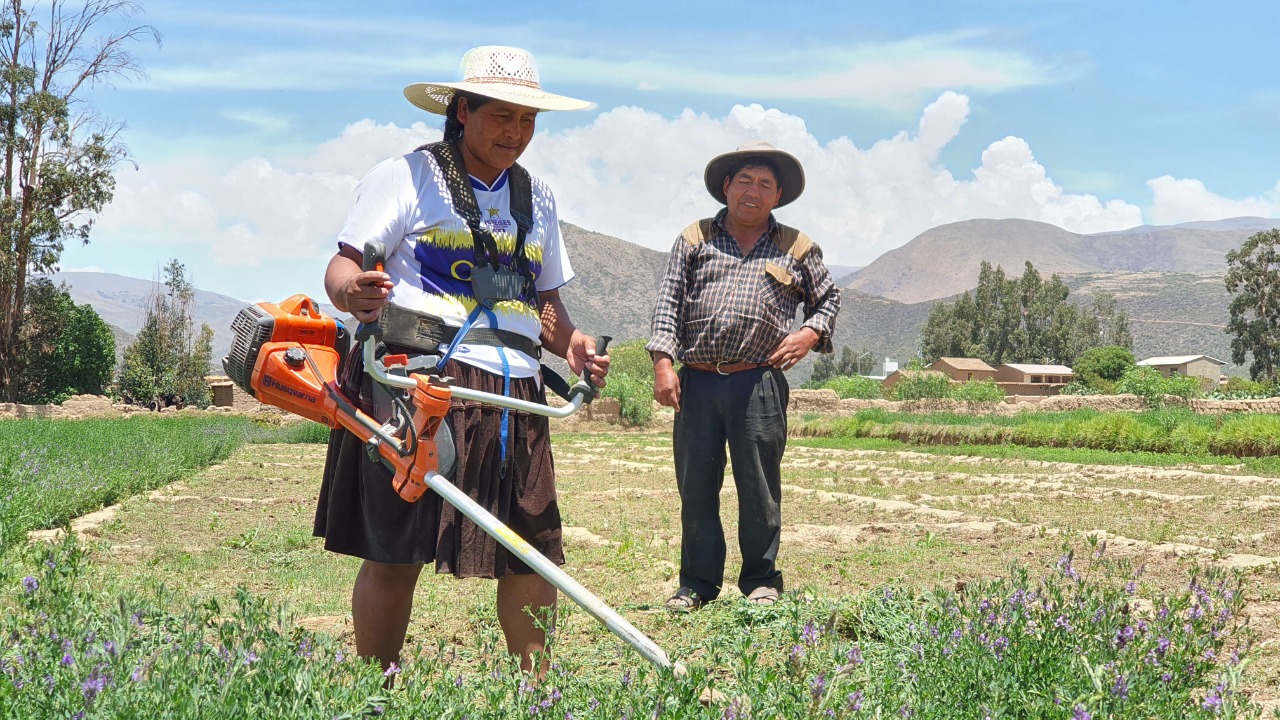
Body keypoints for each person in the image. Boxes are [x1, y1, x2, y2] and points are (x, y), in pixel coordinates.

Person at [314, 45, 609, 674]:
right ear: (462, 110)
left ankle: (537, 697)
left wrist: (573, 344)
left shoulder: (539, 197)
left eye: (527, 120)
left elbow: (544, 303)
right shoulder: (407, 176)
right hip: (419, 384)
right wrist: (352, 292)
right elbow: (344, 264)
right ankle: (375, 689)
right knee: (396, 547)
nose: (515, 132)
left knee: (531, 550)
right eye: (501, 115)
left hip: (515, 394)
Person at [647, 140, 840, 611]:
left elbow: (828, 300)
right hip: (697, 382)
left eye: (765, 184)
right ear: (727, 186)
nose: (753, 192)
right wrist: (663, 364)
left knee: (759, 487)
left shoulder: (797, 246)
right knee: (696, 486)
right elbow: (669, 303)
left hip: (759, 382)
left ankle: (761, 580)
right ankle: (696, 583)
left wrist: (809, 335)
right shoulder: (695, 238)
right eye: (745, 181)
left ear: (778, 196)